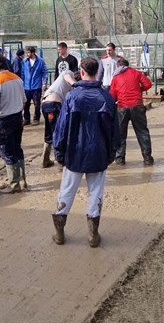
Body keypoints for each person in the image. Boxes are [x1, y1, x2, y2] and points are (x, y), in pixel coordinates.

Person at [51, 56, 119, 247]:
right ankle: (93, 236)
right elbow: (115, 129)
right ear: (97, 71)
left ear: (81, 72)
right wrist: (112, 152)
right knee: (95, 193)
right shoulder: (106, 97)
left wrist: (59, 151)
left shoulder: (72, 97)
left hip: (74, 152)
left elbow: (61, 127)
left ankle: (59, 233)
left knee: (66, 191)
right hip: (98, 153)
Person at [0, 52, 27, 193]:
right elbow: (24, 100)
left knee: (7, 152)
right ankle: (23, 181)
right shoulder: (17, 78)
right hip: (17, 118)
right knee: (17, 149)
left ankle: (14, 185)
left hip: (3, 121)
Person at [110, 58, 154, 166]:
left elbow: (112, 94)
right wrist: (139, 89)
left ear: (118, 66)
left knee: (120, 134)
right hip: (137, 105)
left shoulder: (116, 77)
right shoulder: (136, 73)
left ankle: (120, 160)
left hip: (122, 107)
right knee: (142, 132)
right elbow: (148, 84)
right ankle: (147, 158)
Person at [41, 69, 79, 168]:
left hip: (45, 104)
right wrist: (77, 85)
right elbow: (67, 76)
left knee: (49, 131)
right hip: (53, 105)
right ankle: (59, 161)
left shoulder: (67, 87)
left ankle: (45, 160)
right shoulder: (68, 73)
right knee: (58, 133)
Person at [21, 46, 47, 125]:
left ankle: (36, 119)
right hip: (26, 87)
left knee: (37, 104)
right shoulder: (24, 61)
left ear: (33, 53)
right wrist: (21, 83)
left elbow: (44, 72)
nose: (27, 54)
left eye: (28, 52)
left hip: (36, 86)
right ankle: (26, 119)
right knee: (26, 104)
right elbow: (22, 73)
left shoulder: (40, 61)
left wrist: (44, 82)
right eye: (26, 52)